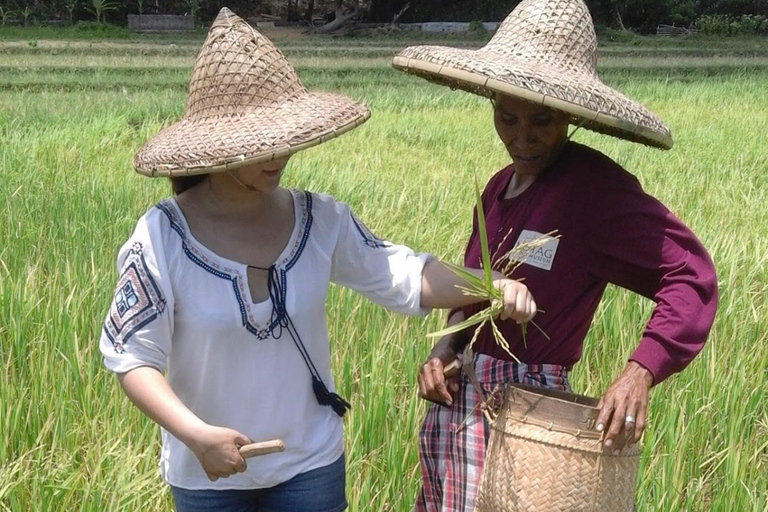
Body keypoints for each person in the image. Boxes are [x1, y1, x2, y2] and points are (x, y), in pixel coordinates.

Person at [99, 8, 539, 512]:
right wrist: (197, 436)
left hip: (310, 469)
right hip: (206, 477)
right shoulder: (162, 236)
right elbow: (133, 358)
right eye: (261, 143)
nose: (279, 155)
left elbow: (405, 276)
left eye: (285, 138)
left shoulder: (319, 219)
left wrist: (489, 284)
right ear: (218, 144)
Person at [392, 0, 718, 510]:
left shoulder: (592, 191)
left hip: (531, 423)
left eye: (541, 121)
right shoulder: (497, 189)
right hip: (457, 417)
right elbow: (472, 295)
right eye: (507, 117)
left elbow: (691, 274)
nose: (522, 137)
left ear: (569, 114)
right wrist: (445, 351)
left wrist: (641, 371)